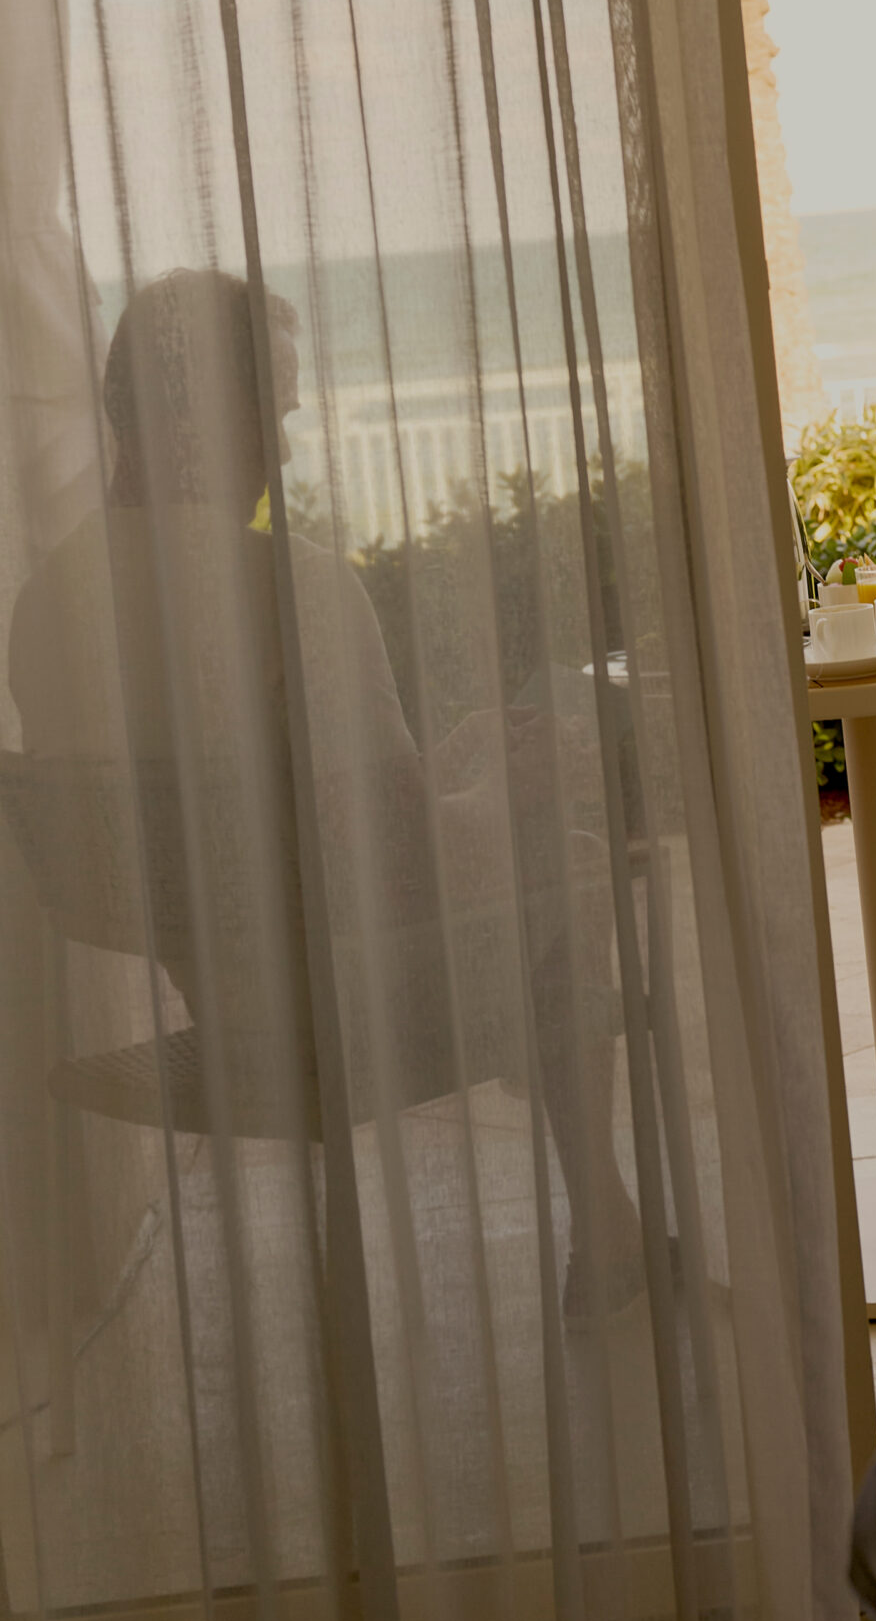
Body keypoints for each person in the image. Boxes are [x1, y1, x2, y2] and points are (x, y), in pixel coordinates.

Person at [8, 267, 645, 1320]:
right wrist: (511, 782)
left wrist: (464, 754)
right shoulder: (288, 585)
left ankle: (609, 1216)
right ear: (195, 415)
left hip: (227, 1003)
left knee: (530, 859)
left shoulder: (49, 599)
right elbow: (404, 862)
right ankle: (608, 1225)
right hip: (340, 1015)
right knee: (570, 863)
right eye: (275, 418)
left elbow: (284, 816)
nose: (290, 451)